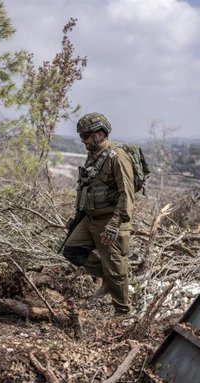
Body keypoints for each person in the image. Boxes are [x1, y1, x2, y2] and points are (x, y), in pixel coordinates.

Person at [62, 112, 135, 316]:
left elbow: (126, 195)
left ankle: (124, 313)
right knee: (72, 250)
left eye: (86, 136)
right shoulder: (93, 156)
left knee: (115, 267)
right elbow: (88, 187)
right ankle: (106, 277)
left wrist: (114, 224)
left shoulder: (117, 157)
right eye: (82, 136)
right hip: (91, 218)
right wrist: (78, 215)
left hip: (112, 220)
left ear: (100, 133)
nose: (83, 141)